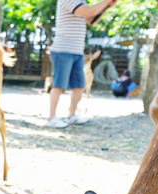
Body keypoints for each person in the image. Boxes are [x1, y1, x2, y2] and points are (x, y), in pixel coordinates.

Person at [47, 0, 117, 128]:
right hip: (63, 49)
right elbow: (88, 11)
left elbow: (91, 20)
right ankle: (52, 117)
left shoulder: (81, 1)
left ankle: (72, 115)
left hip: (77, 51)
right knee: (58, 85)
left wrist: (105, 7)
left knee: (79, 86)